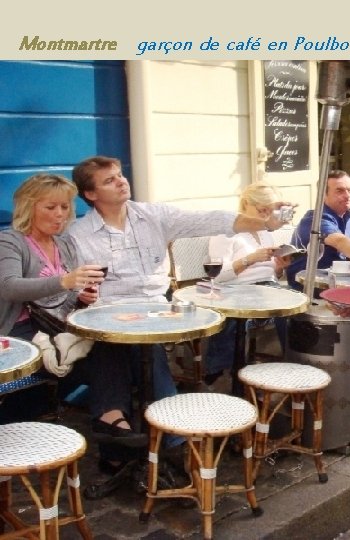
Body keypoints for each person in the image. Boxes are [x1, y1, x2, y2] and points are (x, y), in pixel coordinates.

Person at [68, 156, 296, 447]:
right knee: (122, 347)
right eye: (109, 180)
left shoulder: (153, 216)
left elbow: (210, 219)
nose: (121, 181)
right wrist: (81, 294)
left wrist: (264, 221)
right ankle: (166, 432)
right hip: (108, 312)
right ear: (90, 194)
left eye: (120, 174)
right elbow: (67, 282)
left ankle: (120, 430)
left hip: (155, 309)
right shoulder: (78, 234)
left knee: (136, 349)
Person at [0, 174, 133, 436]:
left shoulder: (64, 243)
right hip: (20, 334)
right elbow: (9, 286)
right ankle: (114, 430)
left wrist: (81, 297)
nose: (60, 214)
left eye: (64, 207)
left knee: (117, 347)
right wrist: (65, 281)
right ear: (29, 207)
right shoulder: (10, 241)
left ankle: (113, 425)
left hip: (57, 329)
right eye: (50, 207)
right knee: (106, 358)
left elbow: (64, 300)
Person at [203, 182, 291, 386]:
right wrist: (249, 259)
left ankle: (294, 364)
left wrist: (279, 267)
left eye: (270, 212)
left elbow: (271, 275)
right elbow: (217, 275)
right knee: (236, 318)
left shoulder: (264, 232)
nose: (265, 216)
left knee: (292, 308)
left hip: (267, 289)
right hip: (237, 290)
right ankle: (221, 371)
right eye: (262, 210)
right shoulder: (226, 232)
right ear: (246, 205)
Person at [286, 170, 350, 291]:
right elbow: (338, 240)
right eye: (340, 191)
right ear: (323, 195)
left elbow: (349, 255)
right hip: (308, 288)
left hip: (337, 284)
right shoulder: (315, 218)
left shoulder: (349, 218)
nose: (347, 195)